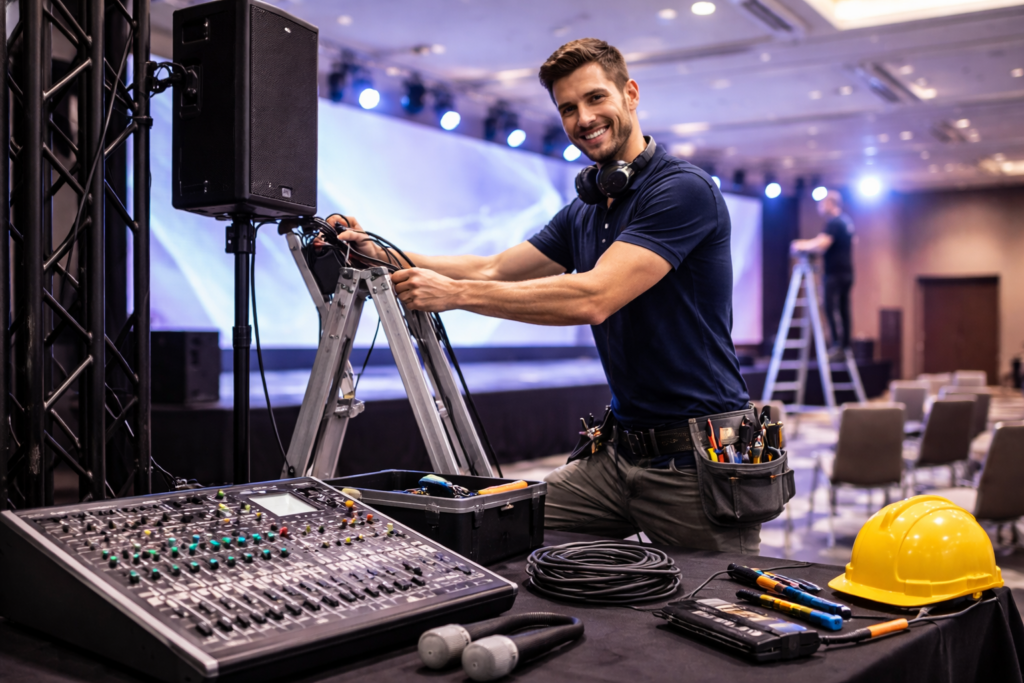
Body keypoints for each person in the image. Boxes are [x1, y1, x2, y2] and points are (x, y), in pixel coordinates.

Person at [329, 38, 757, 553]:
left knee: (715, 615)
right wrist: (381, 250)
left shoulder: (681, 190)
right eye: (569, 109)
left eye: (596, 99)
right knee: (498, 529)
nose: (584, 118)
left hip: (694, 462)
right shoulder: (587, 208)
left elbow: (593, 297)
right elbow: (494, 267)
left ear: (631, 94)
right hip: (618, 457)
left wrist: (455, 295)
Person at [791, 189, 855, 358]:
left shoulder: (834, 223)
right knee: (843, 308)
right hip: (847, 272)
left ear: (830, 203)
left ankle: (836, 345)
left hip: (835, 273)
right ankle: (845, 345)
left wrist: (801, 246)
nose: (820, 207)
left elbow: (822, 244)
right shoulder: (846, 222)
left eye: (822, 203)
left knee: (829, 306)